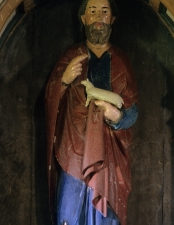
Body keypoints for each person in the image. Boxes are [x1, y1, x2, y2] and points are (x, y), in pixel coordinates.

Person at [45, 0, 138, 224]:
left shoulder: (121, 61)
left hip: (108, 153)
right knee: (68, 211)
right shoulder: (71, 56)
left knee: (106, 214)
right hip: (73, 152)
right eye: (92, 11)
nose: (98, 17)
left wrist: (118, 117)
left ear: (112, 19)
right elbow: (50, 99)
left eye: (104, 12)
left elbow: (132, 110)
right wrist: (64, 80)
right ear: (83, 18)